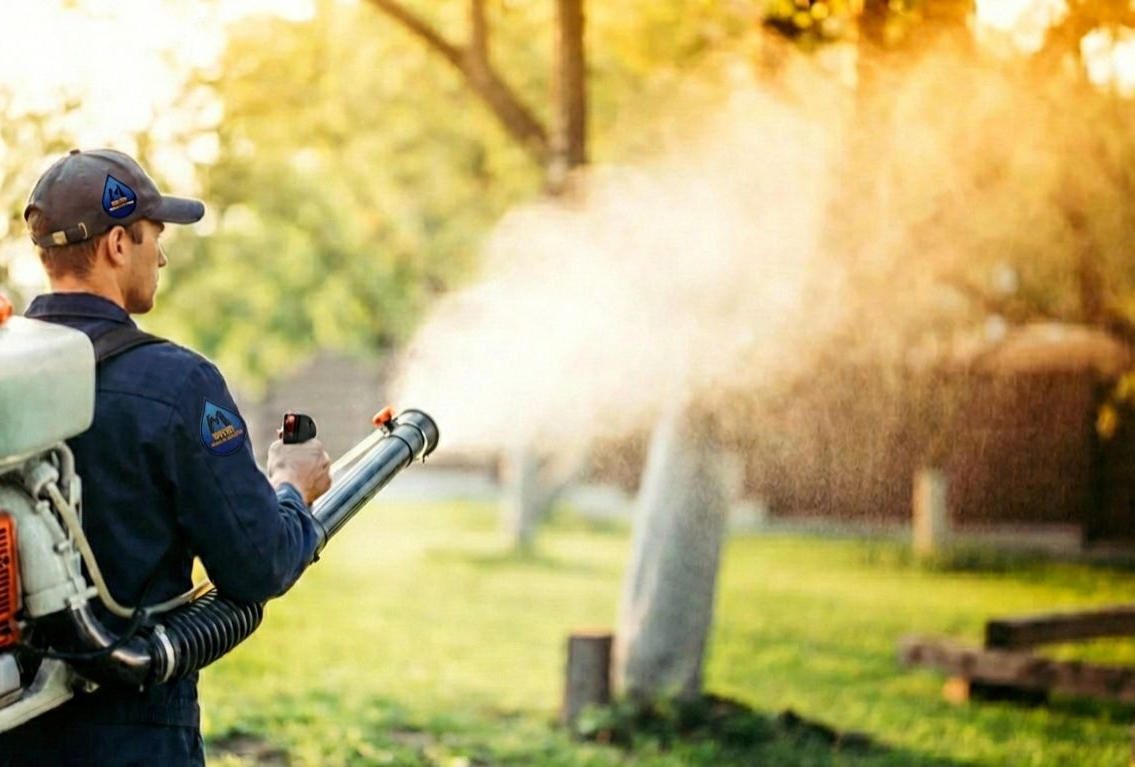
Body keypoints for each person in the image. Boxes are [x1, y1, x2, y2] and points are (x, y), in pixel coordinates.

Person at [0, 149, 333, 766]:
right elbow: (259, 566)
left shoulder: (5, 377)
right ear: (118, 243)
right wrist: (292, 487)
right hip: (132, 732)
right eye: (155, 235)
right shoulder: (176, 384)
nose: (162, 254)